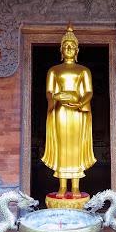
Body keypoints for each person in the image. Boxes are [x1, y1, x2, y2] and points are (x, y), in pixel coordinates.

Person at [41, 21, 96, 198]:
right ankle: (63, 186)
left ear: (77, 50)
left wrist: (80, 104)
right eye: (66, 46)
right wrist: (55, 98)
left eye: (72, 46)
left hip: (77, 113)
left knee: (76, 147)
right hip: (60, 113)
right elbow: (49, 91)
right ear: (61, 50)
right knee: (62, 146)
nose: (69, 48)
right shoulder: (54, 70)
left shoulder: (84, 70)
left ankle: (76, 187)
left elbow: (88, 91)